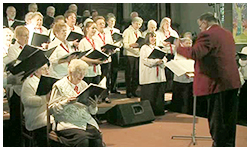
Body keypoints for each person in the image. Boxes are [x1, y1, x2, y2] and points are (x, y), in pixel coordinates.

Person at [174, 12, 241, 147]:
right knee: (229, 121)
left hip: (216, 83)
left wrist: (178, 48)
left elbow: (195, 53)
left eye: (200, 26)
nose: (200, 29)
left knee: (218, 122)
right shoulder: (227, 33)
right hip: (231, 82)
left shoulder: (208, 34)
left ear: (205, 23)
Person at [49, 59, 103, 147]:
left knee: (96, 139)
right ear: (71, 72)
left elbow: (92, 112)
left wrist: (93, 106)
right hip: (67, 121)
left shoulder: (84, 84)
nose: (81, 76)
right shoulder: (59, 85)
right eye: (79, 73)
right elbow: (51, 109)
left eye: (84, 73)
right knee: (83, 140)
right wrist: (66, 102)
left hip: (84, 120)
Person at [21, 63, 51, 147]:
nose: (47, 72)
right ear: (36, 71)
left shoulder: (47, 80)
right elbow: (27, 100)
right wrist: (45, 98)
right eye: (44, 69)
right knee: (44, 131)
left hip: (49, 113)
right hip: (36, 115)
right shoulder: (29, 82)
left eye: (47, 69)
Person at [139, 32, 167, 116]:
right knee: (150, 94)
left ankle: (158, 111)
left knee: (158, 95)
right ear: (148, 38)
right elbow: (145, 60)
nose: (153, 39)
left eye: (155, 37)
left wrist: (162, 61)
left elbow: (164, 59)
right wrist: (156, 61)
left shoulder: (158, 48)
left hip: (159, 76)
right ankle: (149, 113)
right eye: (151, 37)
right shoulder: (144, 48)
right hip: (149, 76)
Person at [93, 16, 114, 103]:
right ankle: (98, 97)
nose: (102, 25)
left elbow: (111, 43)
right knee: (99, 79)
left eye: (103, 23)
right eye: (100, 24)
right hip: (98, 59)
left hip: (107, 59)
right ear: (96, 25)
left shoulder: (107, 33)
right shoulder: (94, 35)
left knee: (107, 78)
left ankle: (105, 96)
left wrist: (112, 49)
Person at [171, 37, 194, 115]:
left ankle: (188, 111)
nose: (188, 45)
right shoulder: (179, 53)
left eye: (190, 43)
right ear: (182, 44)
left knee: (189, 98)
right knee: (180, 97)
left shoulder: (192, 53)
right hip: (180, 79)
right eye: (186, 43)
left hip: (190, 78)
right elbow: (178, 64)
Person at [156, 17, 179, 92]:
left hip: (172, 53)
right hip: (164, 53)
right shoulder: (158, 33)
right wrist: (163, 43)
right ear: (162, 24)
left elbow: (178, 42)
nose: (167, 25)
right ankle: (165, 88)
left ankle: (171, 87)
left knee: (172, 71)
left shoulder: (173, 32)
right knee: (165, 72)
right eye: (166, 23)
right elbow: (156, 43)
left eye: (169, 23)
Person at [122, 16, 143, 98]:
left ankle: (134, 90)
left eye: (139, 24)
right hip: (129, 55)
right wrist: (132, 46)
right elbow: (125, 44)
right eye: (136, 24)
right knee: (129, 74)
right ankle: (128, 91)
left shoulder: (139, 32)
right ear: (132, 23)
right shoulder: (127, 31)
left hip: (137, 54)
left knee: (136, 74)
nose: (138, 26)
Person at [79, 21, 103, 85]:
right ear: (87, 29)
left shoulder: (96, 41)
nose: (94, 30)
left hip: (97, 71)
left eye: (95, 28)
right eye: (92, 28)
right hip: (87, 71)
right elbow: (81, 57)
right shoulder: (83, 42)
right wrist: (93, 61)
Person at [104, 13, 122, 94]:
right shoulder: (105, 31)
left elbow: (121, 41)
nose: (112, 23)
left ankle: (113, 87)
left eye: (113, 21)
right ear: (107, 22)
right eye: (111, 21)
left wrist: (119, 45)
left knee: (115, 70)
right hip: (108, 51)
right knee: (108, 70)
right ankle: (107, 88)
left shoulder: (117, 31)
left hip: (116, 51)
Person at [237, 46, 247, 122]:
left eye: (245, 57)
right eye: (242, 56)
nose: (242, 59)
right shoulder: (239, 67)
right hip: (244, 84)